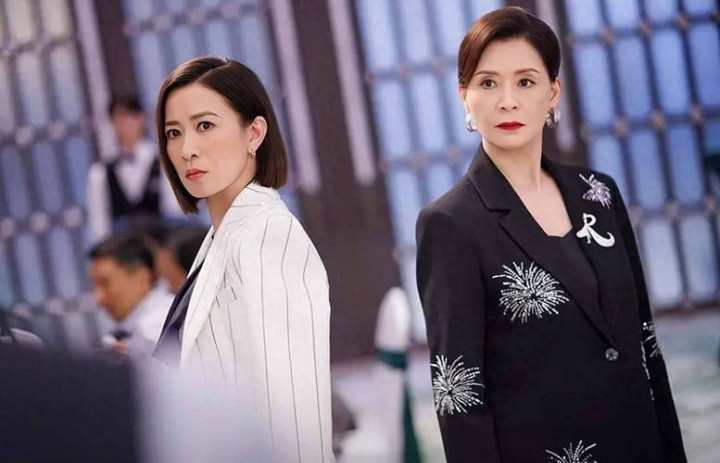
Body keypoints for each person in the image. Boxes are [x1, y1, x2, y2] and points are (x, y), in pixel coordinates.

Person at [415, 7, 686, 463]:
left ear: (552, 93)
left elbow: (646, 346)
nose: (507, 101)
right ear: (464, 97)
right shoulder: (450, 225)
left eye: (525, 81)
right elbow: (458, 396)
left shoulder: (598, 194)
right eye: (487, 83)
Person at [152, 57, 334, 462]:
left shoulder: (268, 235)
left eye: (205, 126)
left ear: (254, 133)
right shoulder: (222, 238)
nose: (187, 149)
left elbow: (292, 414)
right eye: (173, 133)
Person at [86, 96, 182, 243]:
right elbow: (99, 224)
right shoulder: (100, 173)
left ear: (141, 119)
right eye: (119, 119)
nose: (125, 125)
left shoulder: (164, 163)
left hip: (161, 245)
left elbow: (174, 211)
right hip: (123, 249)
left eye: (130, 117)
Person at [89, 233, 173, 360]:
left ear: (141, 277)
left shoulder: (157, 331)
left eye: (105, 283)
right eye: (95, 286)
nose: (99, 299)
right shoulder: (131, 333)